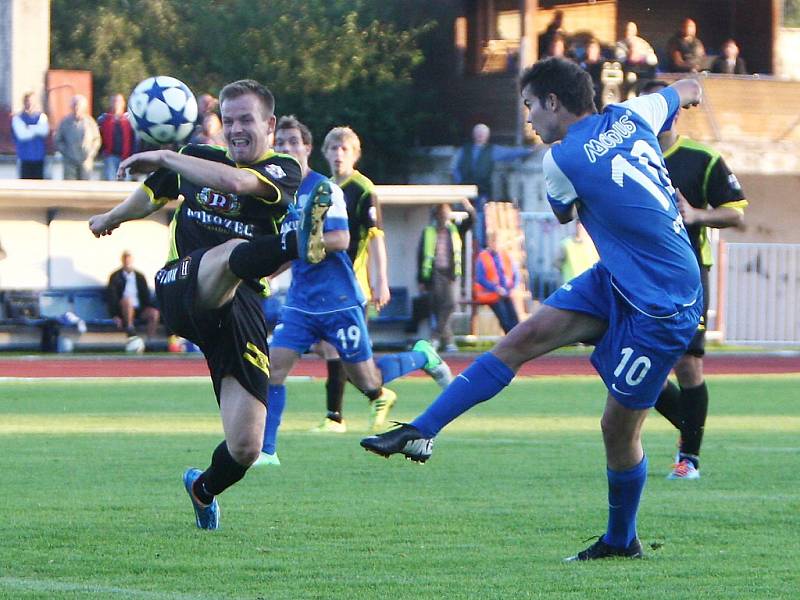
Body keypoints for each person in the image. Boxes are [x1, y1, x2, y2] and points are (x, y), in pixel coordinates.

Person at [361, 58, 704, 562]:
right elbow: (691, 86)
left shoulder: (560, 158)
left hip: (662, 299)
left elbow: (568, 210)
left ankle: (620, 539)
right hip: (623, 276)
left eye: (529, 107)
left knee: (617, 428)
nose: (528, 121)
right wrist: (670, 115)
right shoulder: (634, 113)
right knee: (518, 340)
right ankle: (420, 430)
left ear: (552, 103)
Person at [88, 79, 323, 530]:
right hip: (182, 287)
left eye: (246, 120)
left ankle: (203, 488)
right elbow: (153, 194)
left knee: (246, 447)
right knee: (232, 250)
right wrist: (112, 218)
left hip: (241, 307)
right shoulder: (198, 158)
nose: (235, 129)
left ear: (269, 125)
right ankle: (294, 242)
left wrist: (167, 155)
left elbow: (235, 182)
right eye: (229, 120)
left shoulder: (284, 169)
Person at [254, 116, 453, 464]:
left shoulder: (324, 189)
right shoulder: (280, 195)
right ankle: (267, 451)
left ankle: (421, 356)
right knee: (273, 371)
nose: (285, 148)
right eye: (280, 143)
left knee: (366, 379)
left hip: (339, 300)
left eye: (292, 142)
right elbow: (289, 248)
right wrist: (267, 274)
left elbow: (341, 239)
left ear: (306, 148)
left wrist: (307, 240)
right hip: (301, 303)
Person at [641, 80, 747, 479]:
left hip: (687, 275)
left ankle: (690, 459)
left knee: (688, 366)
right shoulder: (629, 157)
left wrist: (697, 215)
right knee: (635, 367)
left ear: (674, 110)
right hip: (639, 276)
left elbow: (736, 211)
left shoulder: (700, 159)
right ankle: (691, 431)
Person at [310, 126, 391, 432]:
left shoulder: (363, 188)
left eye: (344, 149)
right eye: (333, 149)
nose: (338, 155)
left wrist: (381, 280)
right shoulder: (323, 188)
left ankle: (335, 417)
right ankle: (407, 367)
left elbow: (376, 238)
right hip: (325, 284)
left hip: (352, 284)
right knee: (337, 351)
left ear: (355, 155)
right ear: (325, 153)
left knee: (342, 351)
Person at [452, 123, 534, 247]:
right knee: (463, 222)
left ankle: (479, 249)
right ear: (474, 135)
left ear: (487, 136)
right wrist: (459, 184)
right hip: (465, 194)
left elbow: (510, 154)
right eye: (478, 133)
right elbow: (455, 168)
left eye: (483, 134)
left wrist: (530, 151)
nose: (480, 136)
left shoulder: (492, 150)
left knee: (481, 222)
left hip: (482, 193)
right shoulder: (464, 150)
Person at [417, 203, 469, 352]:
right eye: (442, 214)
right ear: (436, 216)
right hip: (434, 274)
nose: (444, 217)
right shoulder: (428, 232)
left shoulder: (454, 230)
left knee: (451, 304)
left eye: (446, 214)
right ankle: (447, 340)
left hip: (451, 273)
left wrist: (468, 207)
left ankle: (435, 337)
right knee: (438, 306)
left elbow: (470, 222)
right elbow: (420, 256)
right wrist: (421, 280)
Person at [473, 231, 520, 334]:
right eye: (493, 242)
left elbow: (515, 274)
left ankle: (517, 342)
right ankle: (511, 342)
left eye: (497, 242)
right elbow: (480, 278)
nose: (495, 244)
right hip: (491, 295)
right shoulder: (483, 257)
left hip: (506, 293)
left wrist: (512, 288)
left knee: (515, 320)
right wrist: (495, 288)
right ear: (489, 242)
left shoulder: (505, 256)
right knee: (505, 321)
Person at [106, 250, 160, 341]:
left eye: (129, 260)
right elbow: (112, 297)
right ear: (122, 261)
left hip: (139, 309)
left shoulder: (140, 277)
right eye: (125, 260)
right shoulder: (115, 277)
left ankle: (150, 341)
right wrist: (115, 315)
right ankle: (130, 329)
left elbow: (145, 295)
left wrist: (150, 307)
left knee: (154, 313)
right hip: (123, 310)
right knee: (127, 301)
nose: (127, 262)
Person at [55, 95, 101, 180]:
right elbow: (58, 140)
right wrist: (66, 152)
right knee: (70, 188)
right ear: (71, 107)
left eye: (79, 106)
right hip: (70, 162)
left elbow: (97, 139)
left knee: (85, 188)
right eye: (74, 105)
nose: (76, 108)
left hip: (86, 162)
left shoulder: (90, 122)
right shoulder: (65, 122)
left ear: (84, 107)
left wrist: (91, 152)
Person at [97, 94, 136, 181]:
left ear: (123, 103)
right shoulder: (104, 119)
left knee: (126, 182)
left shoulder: (130, 120)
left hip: (127, 157)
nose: (116, 104)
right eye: (114, 101)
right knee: (111, 181)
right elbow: (99, 137)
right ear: (110, 103)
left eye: (118, 101)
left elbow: (135, 139)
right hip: (110, 156)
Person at [11, 92, 49, 179]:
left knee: (39, 187)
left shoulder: (42, 117)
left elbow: (44, 131)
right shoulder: (17, 118)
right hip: (24, 158)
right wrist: (36, 129)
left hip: (39, 158)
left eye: (32, 101)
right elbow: (22, 135)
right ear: (24, 102)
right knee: (24, 187)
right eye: (27, 101)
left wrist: (29, 127)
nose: (30, 103)